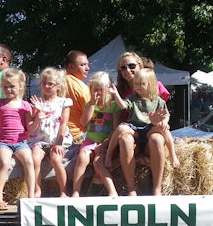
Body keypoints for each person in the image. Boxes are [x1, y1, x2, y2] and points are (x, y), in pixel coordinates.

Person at [0, 68, 35, 210]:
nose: (8, 89)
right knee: (4, 163)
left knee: (29, 161)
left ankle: (31, 197)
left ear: (20, 87)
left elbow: (30, 127)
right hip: (3, 143)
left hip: (21, 142)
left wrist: (38, 116)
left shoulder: (25, 105)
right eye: (5, 87)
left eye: (12, 86)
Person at [113, 68, 170, 196]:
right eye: (136, 83)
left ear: (151, 84)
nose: (138, 86)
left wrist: (164, 122)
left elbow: (165, 114)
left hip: (150, 134)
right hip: (136, 135)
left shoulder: (157, 100)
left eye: (142, 83)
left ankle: (157, 188)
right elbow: (123, 105)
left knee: (158, 138)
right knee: (125, 139)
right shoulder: (132, 98)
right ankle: (131, 188)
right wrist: (116, 94)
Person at [71, 71, 127, 198]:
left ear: (108, 90)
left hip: (106, 142)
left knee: (98, 162)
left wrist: (104, 144)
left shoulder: (113, 106)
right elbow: (84, 122)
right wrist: (91, 105)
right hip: (89, 141)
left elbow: (115, 129)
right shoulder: (89, 105)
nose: (98, 93)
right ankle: (76, 191)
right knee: (82, 157)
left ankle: (112, 191)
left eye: (101, 90)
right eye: (95, 89)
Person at [28, 67, 72, 197]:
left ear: (58, 86)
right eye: (44, 83)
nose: (46, 86)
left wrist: (59, 143)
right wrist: (37, 111)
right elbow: (33, 123)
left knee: (56, 160)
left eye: (50, 84)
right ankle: (37, 189)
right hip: (40, 139)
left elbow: (63, 123)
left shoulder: (64, 102)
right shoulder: (38, 102)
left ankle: (63, 191)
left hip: (56, 139)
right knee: (35, 159)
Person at [64, 50, 90, 144]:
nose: (87, 68)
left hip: (60, 135)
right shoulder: (80, 87)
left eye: (87, 64)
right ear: (71, 67)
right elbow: (89, 120)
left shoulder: (56, 82)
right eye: (83, 65)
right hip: (78, 136)